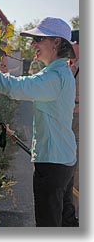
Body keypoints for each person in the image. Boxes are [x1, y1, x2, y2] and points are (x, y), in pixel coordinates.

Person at [0, 17, 79, 227]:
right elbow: (24, 86)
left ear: (56, 42)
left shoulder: (54, 78)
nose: (32, 44)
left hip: (53, 165)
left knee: (49, 225)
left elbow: (16, 87)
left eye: (38, 39)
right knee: (66, 221)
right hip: (63, 159)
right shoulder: (59, 73)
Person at [69, 30, 79, 209]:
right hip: (64, 118)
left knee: (77, 170)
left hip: (79, 120)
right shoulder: (65, 65)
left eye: (72, 44)